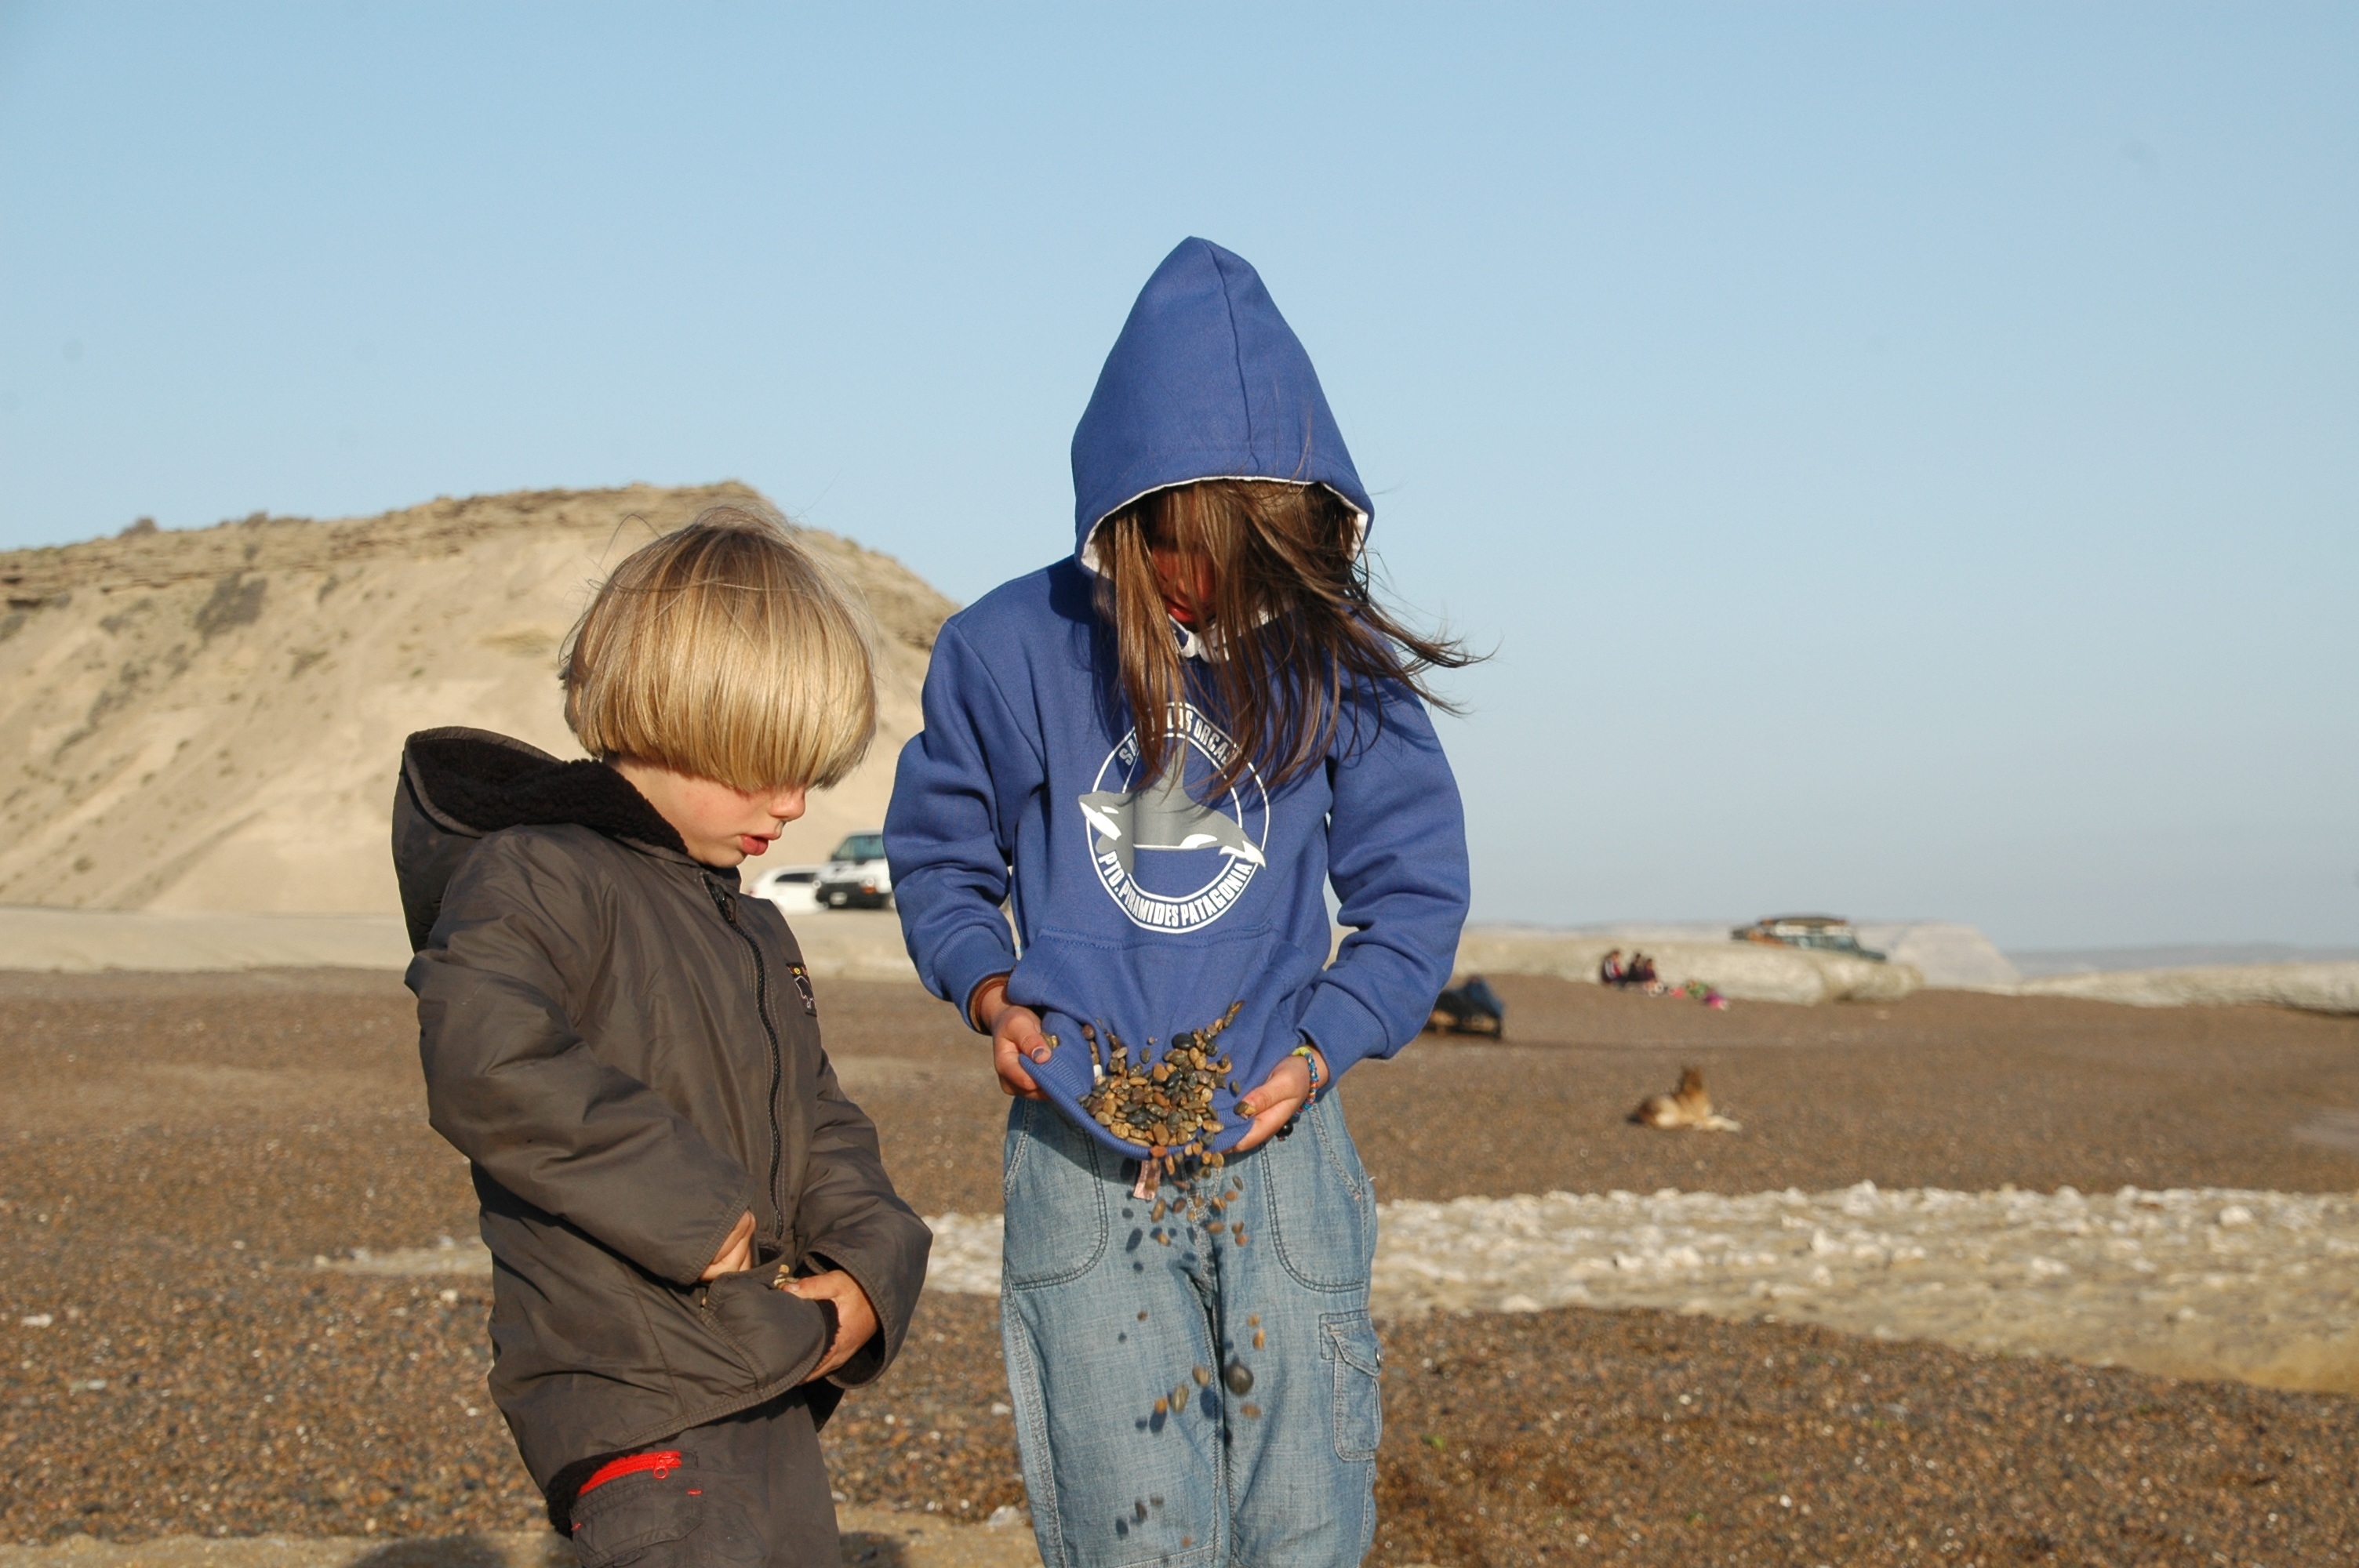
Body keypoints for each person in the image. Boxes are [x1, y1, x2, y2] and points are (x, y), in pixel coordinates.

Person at [887, 238, 1474, 1568]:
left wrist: (1324, 1046)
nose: (1208, 588)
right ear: (1127, 515)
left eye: (1252, 558)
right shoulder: (1008, 647)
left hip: (1282, 1144)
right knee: (1130, 1535)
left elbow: (1415, 892)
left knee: (1304, 1524)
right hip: (1081, 1147)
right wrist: (987, 987)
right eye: (1186, 551)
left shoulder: (1341, 666)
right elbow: (939, 855)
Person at [393, 505, 931, 1567]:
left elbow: (820, 1120)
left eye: (811, 774)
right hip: (635, 1400)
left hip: (763, 1369)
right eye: (762, 769)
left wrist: (872, 1271)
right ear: (669, 720)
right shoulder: (540, 873)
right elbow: (487, 1058)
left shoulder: (749, 924)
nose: (793, 805)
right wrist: (697, 1215)